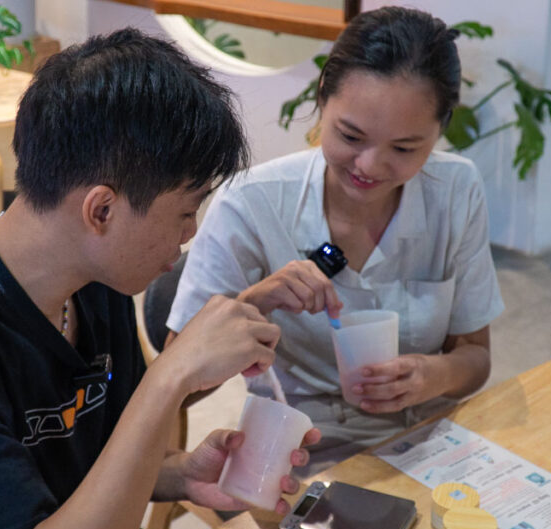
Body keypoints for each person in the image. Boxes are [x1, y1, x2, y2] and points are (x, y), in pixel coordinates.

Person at [0, 28, 320, 529]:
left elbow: (91, 459)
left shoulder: (93, 281)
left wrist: (179, 473)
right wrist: (171, 377)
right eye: (185, 211)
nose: (188, 234)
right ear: (101, 211)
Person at [167, 7, 504, 476]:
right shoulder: (252, 203)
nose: (369, 165)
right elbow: (174, 389)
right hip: (299, 449)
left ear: (439, 131)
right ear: (323, 96)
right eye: (351, 135)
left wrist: (432, 375)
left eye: (405, 149)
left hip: (428, 438)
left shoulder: (454, 190)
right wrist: (253, 305)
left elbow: (476, 356)